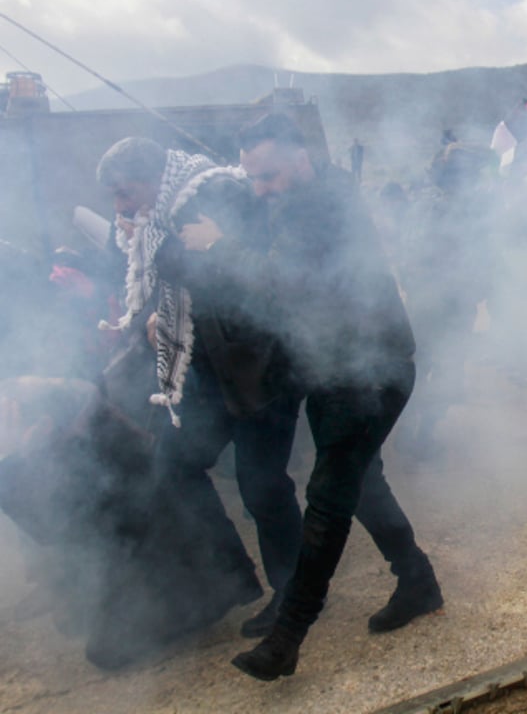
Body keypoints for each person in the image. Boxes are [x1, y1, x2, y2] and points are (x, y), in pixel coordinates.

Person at [178, 113, 442, 681]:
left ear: (301, 158)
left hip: (370, 369)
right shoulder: (292, 200)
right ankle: (417, 579)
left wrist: (220, 245)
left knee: (328, 495)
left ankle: (289, 635)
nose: (262, 188)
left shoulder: (325, 203)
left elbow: (287, 281)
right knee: (362, 485)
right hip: (331, 369)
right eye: (254, 178)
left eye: (270, 175)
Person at [97, 137, 301, 639]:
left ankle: (293, 593)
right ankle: (230, 577)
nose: (122, 206)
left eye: (127, 193)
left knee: (262, 485)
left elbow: (218, 277)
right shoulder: (163, 209)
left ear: (152, 178)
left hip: (258, 363)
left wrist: (156, 244)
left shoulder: (212, 193)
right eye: (116, 197)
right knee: (173, 464)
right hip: (210, 367)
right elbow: (164, 283)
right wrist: (147, 307)